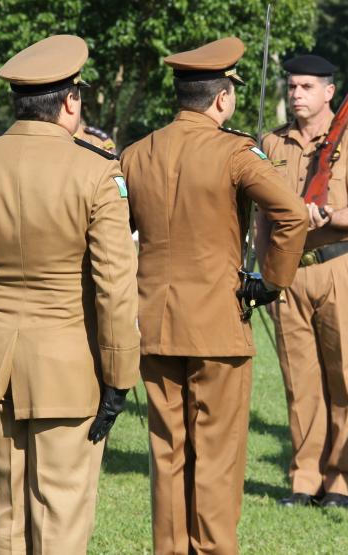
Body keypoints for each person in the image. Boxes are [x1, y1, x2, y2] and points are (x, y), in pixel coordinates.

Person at [0, 35, 141, 552]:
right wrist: (119, 377)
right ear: (70, 101)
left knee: (7, 517)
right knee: (62, 514)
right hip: (70, 367)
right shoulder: (96, 170)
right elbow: (115, 287)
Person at [120, 37, 307, 553]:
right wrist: (272, 280)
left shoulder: (136, 154)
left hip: (153, 324)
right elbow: (291, 213)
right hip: (219, 327)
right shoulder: (236, 152)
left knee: (168, 454)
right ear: (222, 99)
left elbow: (115, 233)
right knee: (217, 457)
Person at [258, 54, 348, 509]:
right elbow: (263, 217)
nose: (296, 94)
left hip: (338, 265)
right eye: (291, 87)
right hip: (289, 271)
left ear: (330, 91)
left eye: (306, 87)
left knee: (342, 377)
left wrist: (330, 215)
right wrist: (264, 269)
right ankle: (305, 478)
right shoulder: (272, 144)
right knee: (299, 380)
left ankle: (343, 481)